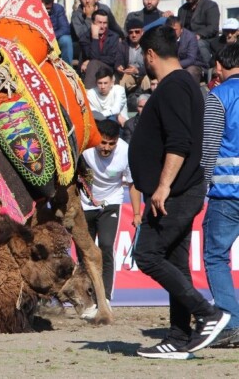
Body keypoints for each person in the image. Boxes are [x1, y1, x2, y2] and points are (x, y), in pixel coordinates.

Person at [129, 24, 229, 359]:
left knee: (147, 255)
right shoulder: (184, 83)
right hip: (182, 188)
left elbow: (179, 143)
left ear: (150, 55)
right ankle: (178, 336)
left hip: (176, 191)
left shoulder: (173, 87)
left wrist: (162, 186)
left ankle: (207, 313)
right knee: (175, 261)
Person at [200, 43, 239, 348]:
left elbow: (209, 149)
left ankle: (231, 323)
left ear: (220, 66)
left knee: (215, 257)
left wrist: (198, 189)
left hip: (227, 193)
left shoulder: (217, 97)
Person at [79, 119, 140, 315]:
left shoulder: (126, 152)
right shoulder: (84, 148)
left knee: (105, 246)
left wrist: (137, 213)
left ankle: (104, 297)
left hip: (111, 202)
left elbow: (132, 184)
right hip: (85, 203)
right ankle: (87, 299)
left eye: (111, 144)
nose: (106, 148)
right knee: (84, 252)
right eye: (103, 143)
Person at [178, 0, 220, 68]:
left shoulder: (210, 5)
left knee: (199, 43)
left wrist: (197, 35)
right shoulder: (182, 9)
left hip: (206, 42)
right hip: (186, 42)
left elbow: (213, 27)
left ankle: (208, 68)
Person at [79, 10, 120, 88]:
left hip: (108, 69)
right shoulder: (85, 38)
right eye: (99, 22)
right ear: (93, 23)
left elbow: (112, 59)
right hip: (90, 70)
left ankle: (88, 94)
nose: (102, 26)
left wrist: (89, 61)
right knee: (93, 63)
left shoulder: (114, 37)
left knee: (93, 63)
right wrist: (95, 37)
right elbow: (93, 56)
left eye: (105, 23)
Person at [166, 16, 207, 83]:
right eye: (170, 30)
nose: (172, 32)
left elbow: (191, 59)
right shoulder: (164, 37)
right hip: (172, 65)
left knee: (191, 71)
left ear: (181, 29)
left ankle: (192, 92)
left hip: (193, 65)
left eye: (175, 30)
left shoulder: (190, 37)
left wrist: (174, 65)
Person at [116, 18, 149, 95]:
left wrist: (138, 71)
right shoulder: (123, 45)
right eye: (131, 32)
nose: (134, 35)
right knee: (122, 82)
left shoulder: (148, 45)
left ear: (142, 32)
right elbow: (118, 59)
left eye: (137, 32)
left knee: (147, 81)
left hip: (145, 74)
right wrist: (119, 66)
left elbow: (151, 65)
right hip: (129, 74)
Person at [40, 0, 73, 65]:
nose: (47, 11)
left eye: (49, 8)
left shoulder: (58, 9)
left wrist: (51, 37)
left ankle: (68, 67)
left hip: (55, 38)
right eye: (45, 8)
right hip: (40, 39)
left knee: (66, 40)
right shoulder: (32, 10)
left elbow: (65, 28)